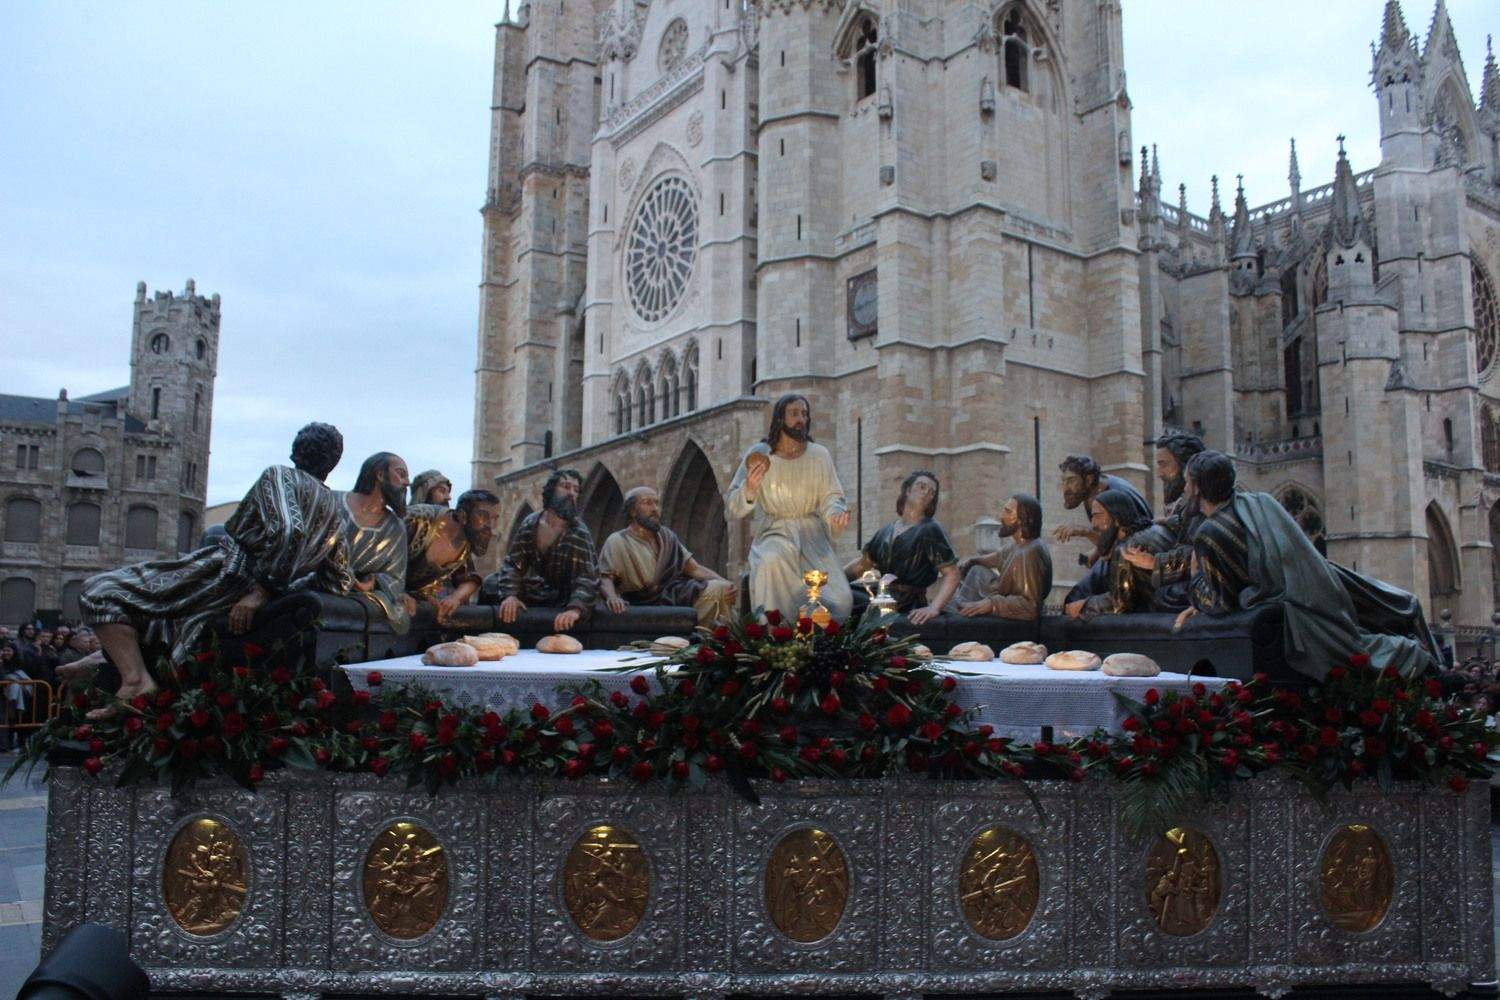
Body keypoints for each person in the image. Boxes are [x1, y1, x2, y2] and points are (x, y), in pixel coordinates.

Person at [76, 422, 354, 714]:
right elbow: (339, 580)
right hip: (229, 588)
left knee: (98, 591)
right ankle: (101, 661)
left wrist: (262, 591)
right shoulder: (335, 511)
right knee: (152, 609)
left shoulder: (281, 476)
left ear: (295, 452)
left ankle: (135, 681)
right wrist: (287, 586)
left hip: (221, 574)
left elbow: (289, 530)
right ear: (332, 463)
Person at [1174, 451, 1438, 680]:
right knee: (1396, 606)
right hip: (1319, 582)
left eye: (1187, 483)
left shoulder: (1211, 532)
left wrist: (1196, 580)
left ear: (1198, 487)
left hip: (1295, 603)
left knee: (1358, 649)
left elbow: (1224, 602)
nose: (1184, 490)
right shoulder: (1257, 502)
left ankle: (1414, 657)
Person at [726, 394, 853, 619]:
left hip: (813, 537)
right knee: (769, 561)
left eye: (804, 414)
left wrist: (835, 515)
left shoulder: (819, 455)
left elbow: (832, 495)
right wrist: (750, 488)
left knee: (841, 600)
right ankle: (776, 636)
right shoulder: (760, 454)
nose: (800, 419)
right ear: (780, 418)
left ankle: (817, 643)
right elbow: (733, 506)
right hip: (776, 533)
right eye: (794, 414)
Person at [598, 486, 737, 624]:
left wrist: (725, 583)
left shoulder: (667, 537)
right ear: (633, 511)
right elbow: (605, 577)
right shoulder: (617, 541)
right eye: (647, 503)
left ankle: (716, 642)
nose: (654, 508)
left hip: (675, 596)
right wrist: (612, 597)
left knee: (721, 589)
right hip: (641, 603)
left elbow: (695, 569)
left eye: (656, 503)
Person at [843, 470, 958, 625]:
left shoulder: (930, 529)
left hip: (906, 603)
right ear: (908, 490)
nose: (926, 493)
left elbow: (952, 573)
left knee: (850, 606)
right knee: (840, 595)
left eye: (932, 492)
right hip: (881, 594)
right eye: (922, 487)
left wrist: (934, 608)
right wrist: (834, 580)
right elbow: (862, 565)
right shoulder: (886, 530)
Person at [490, 469, 599, 633]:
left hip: (564, 598)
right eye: (565, 486)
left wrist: (575, 609)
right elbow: (513, 564)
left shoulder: (578, 532)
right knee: (491, 583)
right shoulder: (531, 523)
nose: (571, 493)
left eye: (576, 490)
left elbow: (587, 576)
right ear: (551, 490)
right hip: (536, 592)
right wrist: (511, 595)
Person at [1121, 431, 1207, 612]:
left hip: (1205, 585)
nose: (1159, 473)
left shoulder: (1202, 501)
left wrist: (1155, 563)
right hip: (1189, 578)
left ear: (1186, 466)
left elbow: (1199, 553)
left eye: (1164, 464)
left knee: (1162, 596)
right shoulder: (1188, 502)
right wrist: (1170, 521)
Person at [1063, 489, 1175, 620]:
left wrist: (1083, 605)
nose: (1093, 524)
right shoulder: (1156, 529)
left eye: (1097, 515)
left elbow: (1119, 604)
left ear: (1116, 518)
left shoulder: (1126, 550)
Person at [338, 452, 414, 634]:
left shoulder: (395, 527)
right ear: (380, 474)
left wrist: (372, 583)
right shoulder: (333, 503)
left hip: (361, 605)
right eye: (401, 473)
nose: (407, 482)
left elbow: (395, 578)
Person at [955, 493, 1054, 621]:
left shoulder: (1030, 552)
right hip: (1000, 594)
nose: (1001, 517)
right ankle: (959, 606)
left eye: (1008, 512)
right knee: (976, 571)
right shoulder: (1018, 545)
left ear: (1021, 520)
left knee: (953, 611)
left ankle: (960, 609)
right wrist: (974, 560)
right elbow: (999, 557)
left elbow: (1031, 606)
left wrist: (992, 604)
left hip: (1017, 623)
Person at [404, 489, 499, 623]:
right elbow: (382, 554)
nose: (491, 526)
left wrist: (455, 597)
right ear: (462, 516)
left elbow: (470, 578)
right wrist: (396, 592)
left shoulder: (465, 543)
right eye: (483, 516)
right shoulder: (419, 519)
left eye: (495, 518)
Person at [1053, 455, 1151, 567]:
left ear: (1089, 480)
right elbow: (1108, 538)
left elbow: (1123, 545)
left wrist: (1085, 532)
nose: (1065, 488)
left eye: (1071, 480)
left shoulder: (1112, 497)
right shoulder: (1091, 493)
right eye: (1064, 481)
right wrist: (1095, 554)